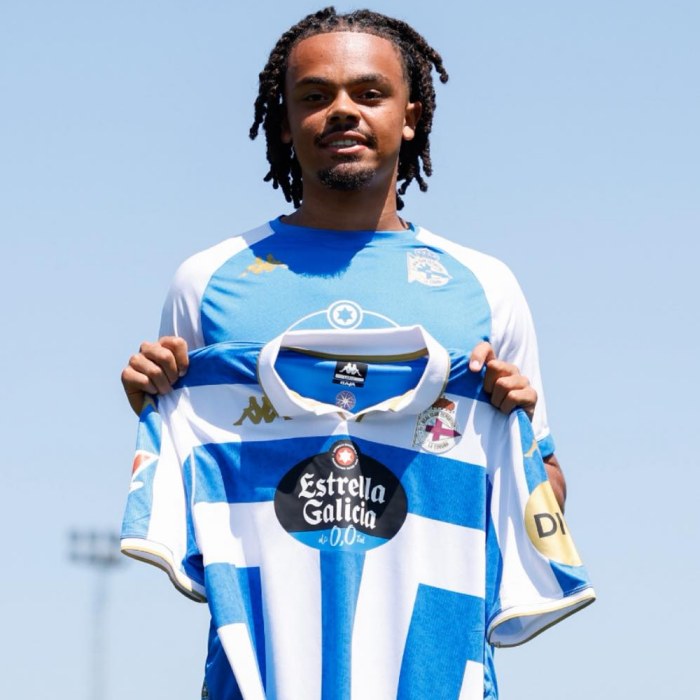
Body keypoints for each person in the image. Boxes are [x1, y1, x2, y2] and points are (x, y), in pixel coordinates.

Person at [120, 7, 567, 697]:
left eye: (369, 92)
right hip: (264, 673)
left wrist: (518, 432)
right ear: (285, 120)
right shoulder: (207, 282)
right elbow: (197, 497)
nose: (342, 111)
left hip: (432, 671)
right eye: (315, 95)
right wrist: (155, 407)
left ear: (410, 115)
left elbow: (546, 497)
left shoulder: (485, 287)